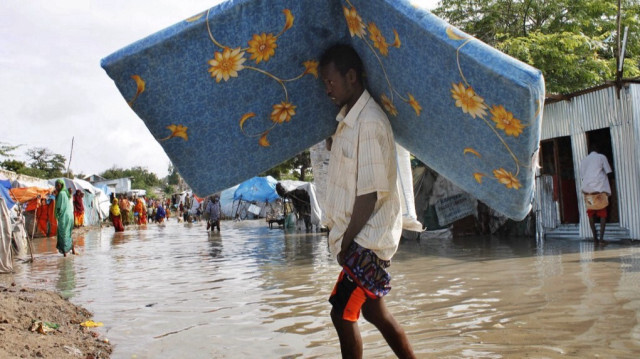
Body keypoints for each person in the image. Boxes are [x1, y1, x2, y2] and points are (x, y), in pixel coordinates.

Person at [319, 44, 415, 358]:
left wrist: (347, 244)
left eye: (331, 82)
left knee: (341, 313)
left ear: (351, 76)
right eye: (324, 84)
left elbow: (369, 194)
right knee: (375, 313)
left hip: (367, 241)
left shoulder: (370, 122)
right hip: (360, 239)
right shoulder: (348, 122)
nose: (327, 89)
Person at [579, 143, 613, 244]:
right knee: (603, 214)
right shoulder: (601, 157)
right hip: (599, 190)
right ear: (597, 150)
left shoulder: (584, 160)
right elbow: (609, 172)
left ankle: (595, 239)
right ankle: (601, 240)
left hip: (588, 191)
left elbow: (582, 175)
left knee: (591, 214)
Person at [54, 179, 75, 256]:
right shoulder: (66, 193)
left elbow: (59, 207)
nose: (57, 187)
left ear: (61, 185)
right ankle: (73, 251)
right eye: (56, 185)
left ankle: (65, 254)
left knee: (63, 234)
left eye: (58, 185)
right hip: (70, 216)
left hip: (64, 217)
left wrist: (57, 215)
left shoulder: (61, 194)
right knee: (69, 234)